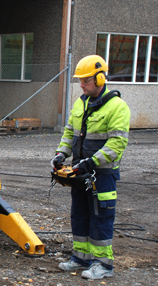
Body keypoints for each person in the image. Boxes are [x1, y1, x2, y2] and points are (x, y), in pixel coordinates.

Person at [51, 55, 130, 280]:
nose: (81, 85)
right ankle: (80, 257)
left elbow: (117, 143)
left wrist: (91, 162)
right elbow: (69, 133)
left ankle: (103, 265)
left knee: (100, 217)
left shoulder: (117, 107)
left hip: (102, 174)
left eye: (85, 81)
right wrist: (61, 154)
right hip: (80, 172)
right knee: (80, 215)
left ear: (100, 78)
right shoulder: (81, 102)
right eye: (80, 81)